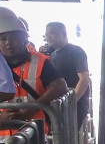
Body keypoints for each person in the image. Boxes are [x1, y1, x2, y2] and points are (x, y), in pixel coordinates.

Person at [0, 7, 68, 135]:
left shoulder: (39, 62)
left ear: (24, 40)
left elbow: (60, 86)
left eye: (14, 37)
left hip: (34, 135)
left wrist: (33, 108)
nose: (8, 43)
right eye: (3, 39)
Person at [44, 23, 91, 129]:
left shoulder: (76, 51)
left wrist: (72, 102)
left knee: (69, 136)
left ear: (64, 34)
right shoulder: (52, 56)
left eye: (52, 33)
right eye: (47, 34)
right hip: (57, 106)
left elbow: (84, 79)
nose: (48, 37)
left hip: (75, 106)